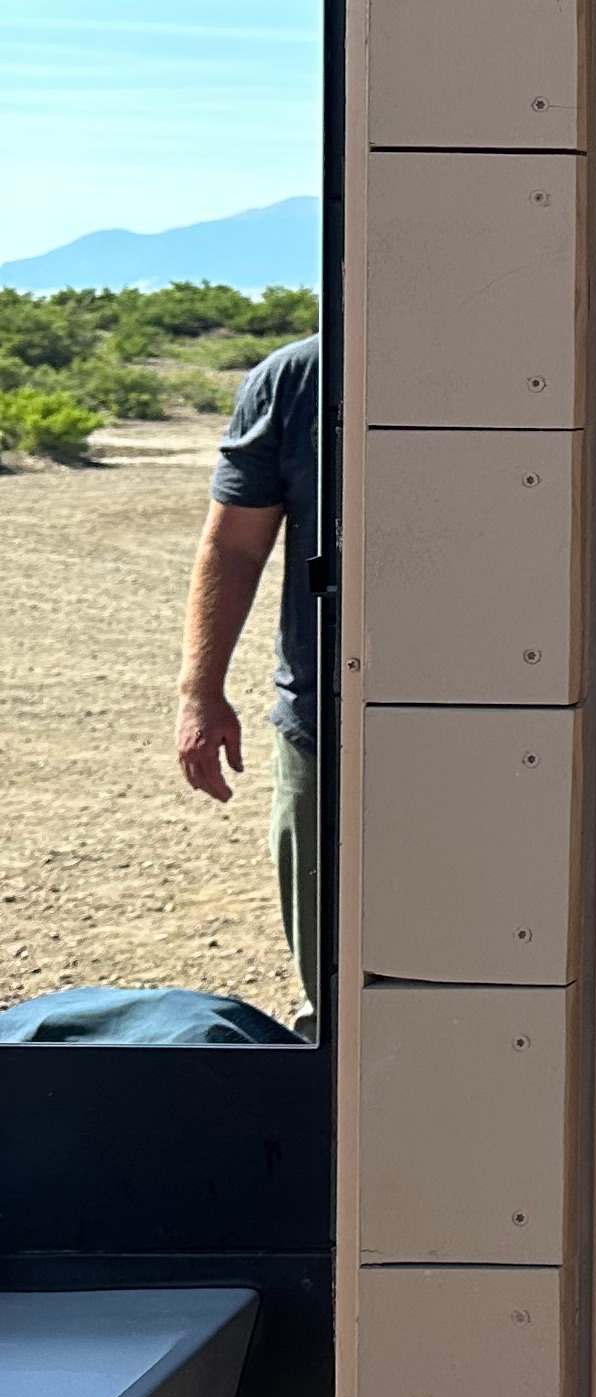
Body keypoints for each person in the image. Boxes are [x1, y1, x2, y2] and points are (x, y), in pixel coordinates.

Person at [175, 331, 322, 1032]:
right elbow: (234, 544)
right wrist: (200, 692)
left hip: (520, 720)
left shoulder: (527, 356)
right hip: (323, 725)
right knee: (334, 975)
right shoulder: (296, 379)